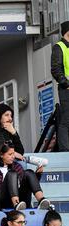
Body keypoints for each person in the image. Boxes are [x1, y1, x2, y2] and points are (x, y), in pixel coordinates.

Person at [0, 142, 51, 211]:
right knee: (11, 174)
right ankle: (16, 204)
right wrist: (6, 183)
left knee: (29, 172)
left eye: (13, 153)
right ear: (1, 155)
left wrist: (38, 174)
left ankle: (41, 201)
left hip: (21, 200)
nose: (13, 156)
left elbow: (26, 184)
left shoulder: (16, 166)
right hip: (2, 200)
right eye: (10, 154)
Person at [51, 21, 69, 151]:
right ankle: (65, 150)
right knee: (66, 120)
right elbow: (56, 69)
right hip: (66, 90)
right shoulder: (59, 47)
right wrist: (66, 84)